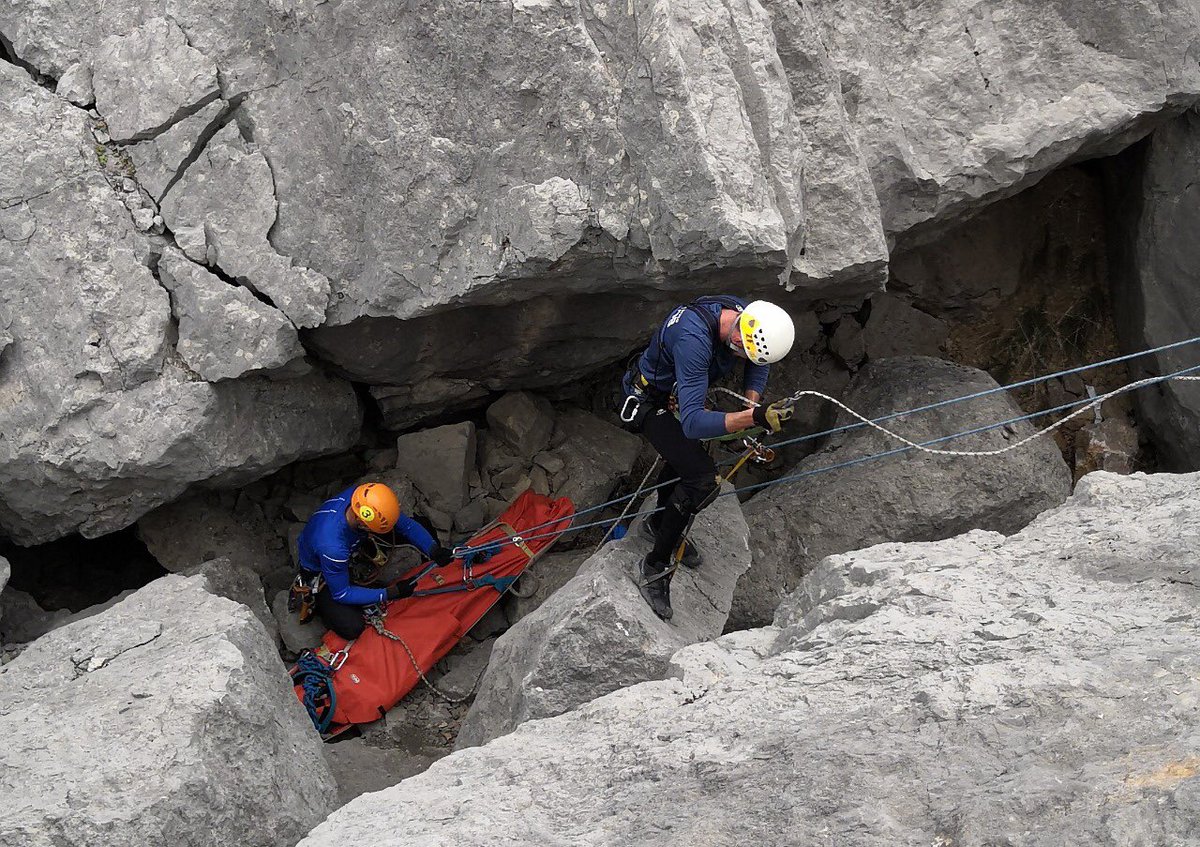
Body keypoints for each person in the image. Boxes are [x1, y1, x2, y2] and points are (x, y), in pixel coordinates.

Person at [619, 296, 797, 620]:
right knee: (700, 478)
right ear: (742, 336)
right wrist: (754, 418)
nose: (744, 359)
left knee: (684, 461)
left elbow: (760, 362)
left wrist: (749, 403)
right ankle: (655, 567)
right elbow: (692, 423)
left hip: (674, 392)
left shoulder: (745, 314)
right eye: (745, 353)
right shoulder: (693, 339)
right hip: (647, 401)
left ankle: (658, 522)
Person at [297, 482, 455, 638]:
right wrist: (389, 593)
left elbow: (406, 526)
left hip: (347, 540)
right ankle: (322, 605)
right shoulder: (333, 547)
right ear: (363, 523)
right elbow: (342, 593)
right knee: (352, 627)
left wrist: (433, 549)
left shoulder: (364, 499)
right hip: (322, 571)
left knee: (423, 525)